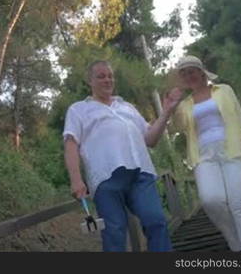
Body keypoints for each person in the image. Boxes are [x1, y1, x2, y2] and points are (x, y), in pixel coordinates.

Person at [62, 60, 180, 252]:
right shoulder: (78, 110)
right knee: (114, 231)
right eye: (101, 76)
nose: (107, 80)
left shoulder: (127, 107)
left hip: (141, 174)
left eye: (110, 76)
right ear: (89, 81)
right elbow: (70, 144)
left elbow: (150, 139)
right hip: (106, 177)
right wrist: (76, 180)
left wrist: (166, 113)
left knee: (156, 221)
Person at [168, 55, 241, 252]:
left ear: (202, 72)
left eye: (192, 71)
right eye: (184, 73)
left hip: (233, 150)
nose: (189, 76)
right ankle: (235, 242)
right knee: (211, 200)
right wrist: (172, 106)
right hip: (204, 157)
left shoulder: (224, 90)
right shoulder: (185, 104)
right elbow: (176, 128)